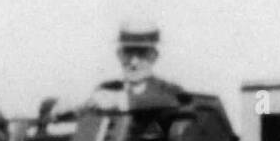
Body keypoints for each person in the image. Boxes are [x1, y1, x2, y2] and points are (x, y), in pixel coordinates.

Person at [49, 21, 189, 119]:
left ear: (154, 56)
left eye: (142, 53)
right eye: (128, 52)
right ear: (119, 55)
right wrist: (69, 109)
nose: (134, 62)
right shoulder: (107, 88)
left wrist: (120, 101)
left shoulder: (169, 90)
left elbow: (176, 103)